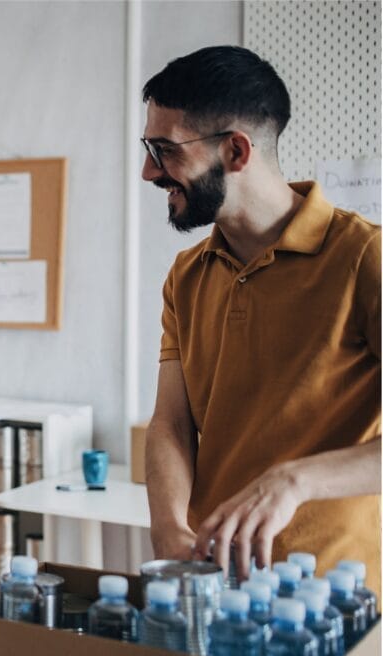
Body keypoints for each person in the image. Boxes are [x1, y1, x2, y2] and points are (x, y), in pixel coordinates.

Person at [140, 46, 380, 592]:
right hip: (216, 586)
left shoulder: (365, 259)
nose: (150, 171)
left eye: (164, 149)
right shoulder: (186, 275)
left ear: (235, 151)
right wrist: (169, 530)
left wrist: (294, 480)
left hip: (332, 599)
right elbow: (171, 425)